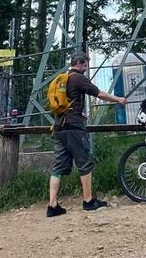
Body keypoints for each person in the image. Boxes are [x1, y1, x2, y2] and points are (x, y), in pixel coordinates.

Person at [47, 51, 127, 217]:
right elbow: (99, 94)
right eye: (85, 65)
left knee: (57, 167)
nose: (86, 68)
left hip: (59, 127)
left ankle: (52, 205)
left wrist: (79, 113)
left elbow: (66, 104)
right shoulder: (78, 78)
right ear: (79, 64)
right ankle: (88, 201)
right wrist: (118, 99)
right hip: (73, 128)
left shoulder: (63, 78)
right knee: (84, 163)